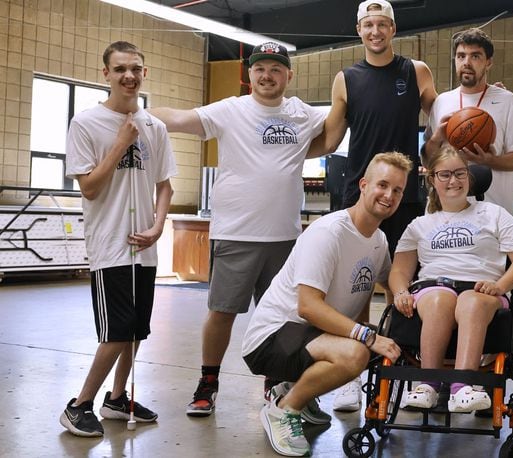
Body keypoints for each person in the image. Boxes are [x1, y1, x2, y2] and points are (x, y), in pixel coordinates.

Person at [149, 42, 329, 420]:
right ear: (249, 75)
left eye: (275, 69)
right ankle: (207, 383)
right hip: (236, 233)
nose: (267, 75)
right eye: (260, 68)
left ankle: (276, 381)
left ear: (288, 75)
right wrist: (135, 112)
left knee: (281, 317)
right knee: (222, 311)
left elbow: (331, 133)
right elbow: (179, 118)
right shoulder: (231, 109)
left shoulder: (301, 114)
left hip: (284, 237)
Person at [308, 0, 437, 412]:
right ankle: (353, 372)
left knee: (400, 282)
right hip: (359, 193)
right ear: (359, 30)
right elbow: (328, 140)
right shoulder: (346, 78)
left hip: (404, 193)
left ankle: (409, 365)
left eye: (383, 24)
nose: (376, 31)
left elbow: (445, 112)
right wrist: (276, 148)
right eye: (368, 24)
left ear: (393, 29)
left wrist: (484, 99)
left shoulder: (416, 71)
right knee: (356, 285)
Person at [241, 152, 409, 457]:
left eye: (398, 190)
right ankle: (284, 408)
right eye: (383, 185)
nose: (389, 195)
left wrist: (406, 295)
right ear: (363, 184)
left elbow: (386, 281)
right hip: (273, 336)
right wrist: (366, 335)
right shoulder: (329, 233)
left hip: (309, 335)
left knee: (385, 343)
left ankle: (297, 392)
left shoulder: (379, 240)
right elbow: (308, 307)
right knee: (357, 351)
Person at [60, 41, 176, 437]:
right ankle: (78, 406)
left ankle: (116, 398)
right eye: (121, 68)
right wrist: (121, 144)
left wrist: (159, 226)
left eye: (137, 68)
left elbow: (165, 187)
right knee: (116, 331)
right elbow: (90, 188)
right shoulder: (86, 123)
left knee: (137, 329)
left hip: (145, 246)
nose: (130, 75)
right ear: (106, 74)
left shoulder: (155, 127)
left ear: (144, 74)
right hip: (110, 245)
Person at [388, 146, 513, 412]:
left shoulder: (493, 213)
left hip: (483, 290)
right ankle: (428, 385)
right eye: (444, 174)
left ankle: (462, 387)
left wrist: (499, 286)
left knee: (470, 302)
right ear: (431, 179)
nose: (453, 181)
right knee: (438, 300)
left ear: (469, 176)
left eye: (459, 173)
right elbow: (399, 270)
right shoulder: (419, 225)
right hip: (433, 287)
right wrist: (400, 292)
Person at [423, 28, 513, 213]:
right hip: (446, 210)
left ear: (488, 62)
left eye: (475, 56)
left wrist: (490, 160)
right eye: (461, 56)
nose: (467, 62)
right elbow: (427, 161)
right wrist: (436, 139)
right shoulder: (442, 101)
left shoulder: (507, 100)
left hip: (492, 210)